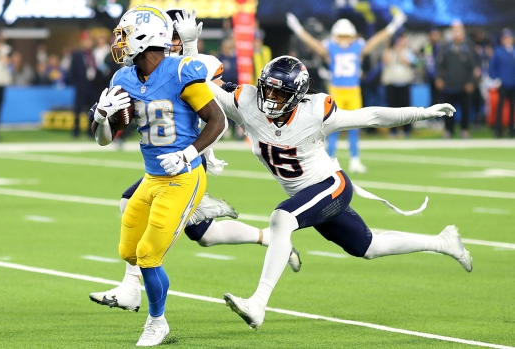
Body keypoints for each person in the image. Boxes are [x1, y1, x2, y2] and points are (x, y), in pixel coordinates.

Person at [206, 56, 472, 329]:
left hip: (331, 186)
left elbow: (371, 116)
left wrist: (421, 112)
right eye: (268, 89)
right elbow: (198, 81)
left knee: (282, 218)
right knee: (368, 247)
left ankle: (258, 303)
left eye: (280, 92)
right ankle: (444, 242)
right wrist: (187, 45)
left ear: (297, 95)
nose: (271, 97)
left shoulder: (315, 112)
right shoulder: (246, 103)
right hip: (310, 198)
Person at [88, 8, 302, 318]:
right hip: (164, 161)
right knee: (205, 235)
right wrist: (103, 117)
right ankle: (267, 237)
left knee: (134, 211)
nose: (173, 44)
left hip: (186, 160)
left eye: (178, 38)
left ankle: (132, 289)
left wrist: (202, 154)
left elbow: (207, 105)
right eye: (174, 37)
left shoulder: (190, 65)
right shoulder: (135, 74)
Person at [89, 6, 227, 346]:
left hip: (184, 177)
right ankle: (144, 305)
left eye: (124, 34)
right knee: (129, 252)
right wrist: (103, 120)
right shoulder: (122, 79)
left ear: (143, 38)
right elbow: (104, 140)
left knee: (149, 254)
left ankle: (156, 322)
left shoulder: (181, 71)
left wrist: (187, 154)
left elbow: (217, 120)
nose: (119, 42)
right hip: (152, 178)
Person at [286, 11, 406, 174]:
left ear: (352, 36)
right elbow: (313, 43)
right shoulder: (331, 48)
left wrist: (394, 25)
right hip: (336, 92)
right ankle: (328, 161)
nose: (343, 40)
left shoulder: (358, 47)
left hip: (353, 91)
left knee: (355, 127)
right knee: (332, 127)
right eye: (340, 36)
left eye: (346, 36)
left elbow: (377, 40)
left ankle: (355, 160)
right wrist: (297, 28)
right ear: (335, 35)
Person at [435, 21, 480, 139]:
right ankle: (448, 130)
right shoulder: (445, 47)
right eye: (454, 30)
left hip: (464, 84)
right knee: (448, 109)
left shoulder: (469, 47)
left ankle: (465, 129)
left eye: (459, 30)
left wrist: (472, 82)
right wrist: (438, 78)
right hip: (449, 83)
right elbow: (439, 65)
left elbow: (475, 68)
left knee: (465, 109)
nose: (457, 33)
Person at [381, 33, 417, 138]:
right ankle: (393, 130)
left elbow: (409, 62)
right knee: (392, 108)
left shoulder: (408, 51)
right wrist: (389, 48)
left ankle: (406, 130)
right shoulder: (388, 51)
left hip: (404, 82)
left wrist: (400, 52)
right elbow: (385, 61)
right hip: (391, 83)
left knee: (406, 107)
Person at [489, 28, 515, 138]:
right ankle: (498, 129)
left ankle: (511, 128)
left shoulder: (513, 51)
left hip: (513, 83)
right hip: (502, 83)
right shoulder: (498, 51)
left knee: (513, 107)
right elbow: (492, 68)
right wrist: (496, 79)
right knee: (500, 107)